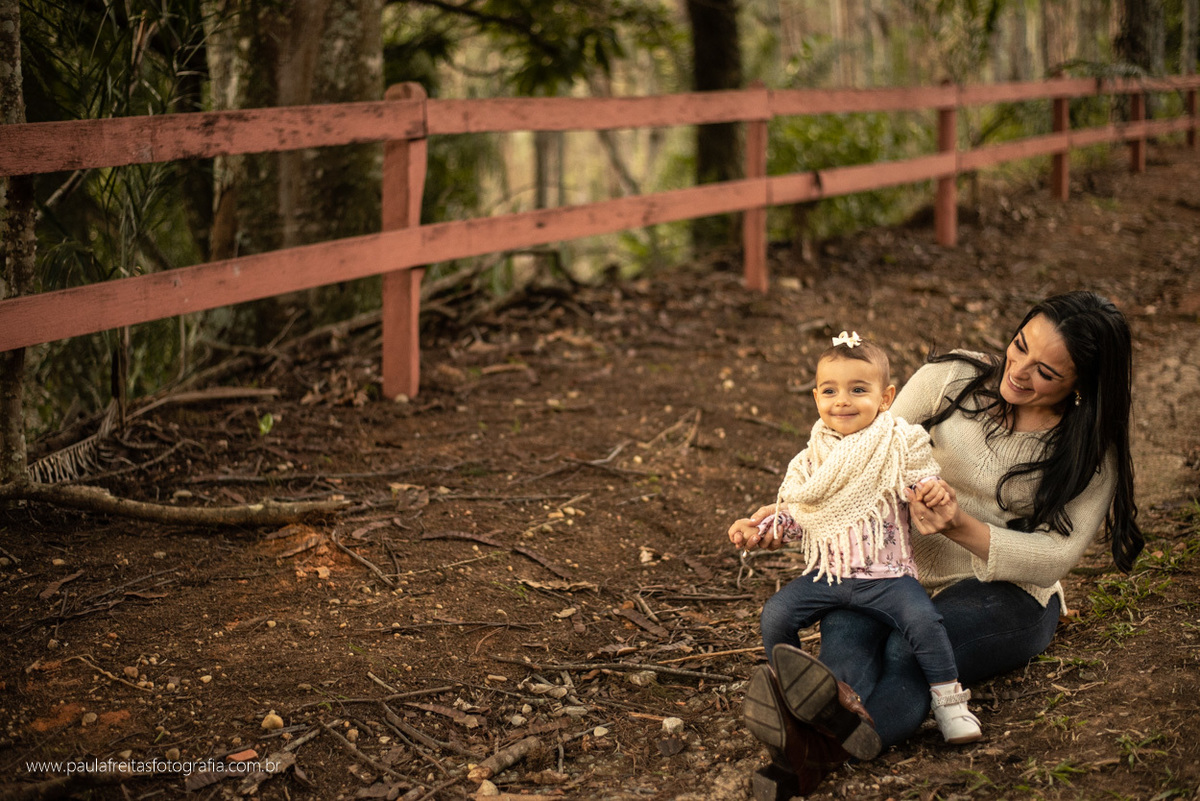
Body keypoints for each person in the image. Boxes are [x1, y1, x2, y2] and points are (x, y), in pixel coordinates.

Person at [728, 292, 1142, 799]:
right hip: (893, 572)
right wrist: (786, 516)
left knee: (909, 650)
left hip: (1006, 593)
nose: (1018, 371)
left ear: (1082, 384)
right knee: (847, 630)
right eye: (1019, 346)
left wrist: (957, 526)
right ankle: (814, 727)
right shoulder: (952, 380)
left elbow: (1056, 557)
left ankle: (816, 750)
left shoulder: (1088, 451)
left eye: (1046, 373)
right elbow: (865, 455)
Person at [729, 330, 982, 764]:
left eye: (858, 390)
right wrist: (763, 527)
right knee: (776, 613)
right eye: (830, 391)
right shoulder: (810, 459)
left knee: (925, 621)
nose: (842, 400)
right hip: (830, 577)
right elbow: (798, 511)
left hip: (888, 578)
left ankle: (949, 703)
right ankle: (789, 690)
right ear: (815, 398)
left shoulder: (897, 443)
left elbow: (923, 479)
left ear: (886, 398)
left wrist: (933, 492)